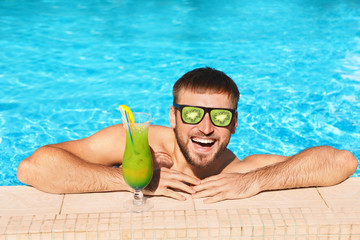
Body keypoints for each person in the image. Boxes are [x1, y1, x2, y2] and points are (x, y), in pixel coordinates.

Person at [17, 67, 358, 203]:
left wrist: (256, 181)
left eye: (220, 117)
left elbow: (342, 161)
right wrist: (129, 179)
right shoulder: (138, 144)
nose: (206, 128)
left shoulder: (238, 172)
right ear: (173, 117)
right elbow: (32, 168)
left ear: (235, 124)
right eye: (193, 114)